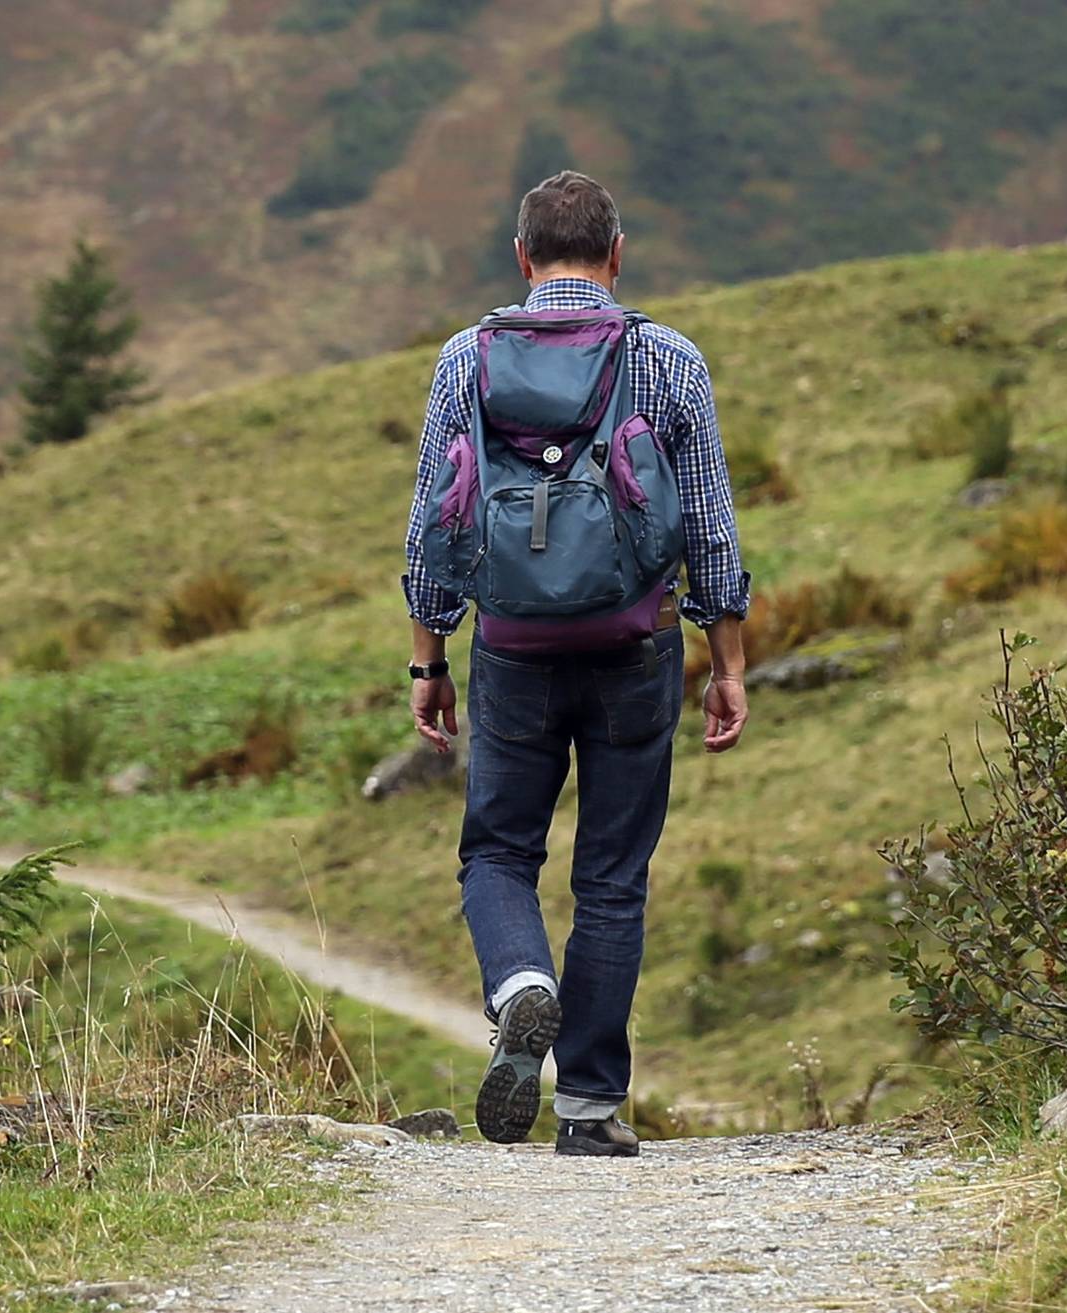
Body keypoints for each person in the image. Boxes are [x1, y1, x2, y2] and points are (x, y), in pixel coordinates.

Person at [401, 171, 751, 1157]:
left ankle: (521, 983)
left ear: (521, 258)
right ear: (617, 252)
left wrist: (429, 658)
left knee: (498, 849)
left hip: (511, 647)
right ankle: (590, 1106)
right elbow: (711, 529)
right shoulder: (668, 359)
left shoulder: (466, 358)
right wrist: (727, 659)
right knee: (612, 875)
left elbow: (435, 517)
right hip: (636, 643)